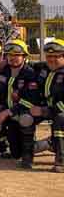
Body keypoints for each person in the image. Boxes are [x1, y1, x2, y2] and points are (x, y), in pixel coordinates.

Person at [0, 39, 47, 169]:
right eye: (10, 55)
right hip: (9, 115)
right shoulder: (2, 73)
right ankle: (7, 149)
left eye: (17, 55)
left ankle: (44, 147)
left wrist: (7, 112)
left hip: (25, 113)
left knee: (25, 120)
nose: (13, 58)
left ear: (24, 56)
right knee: (14, 152)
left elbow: (30, 102)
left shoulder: (31, 74)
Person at [43, 39, 64, 173]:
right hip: (53, 110)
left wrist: (49, 110)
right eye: (49, 56)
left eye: (57, 56)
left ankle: (61, 160)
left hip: (59, 112)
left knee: (60, 118)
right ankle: (52, 144)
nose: (52, 59)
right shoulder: (46, 69)